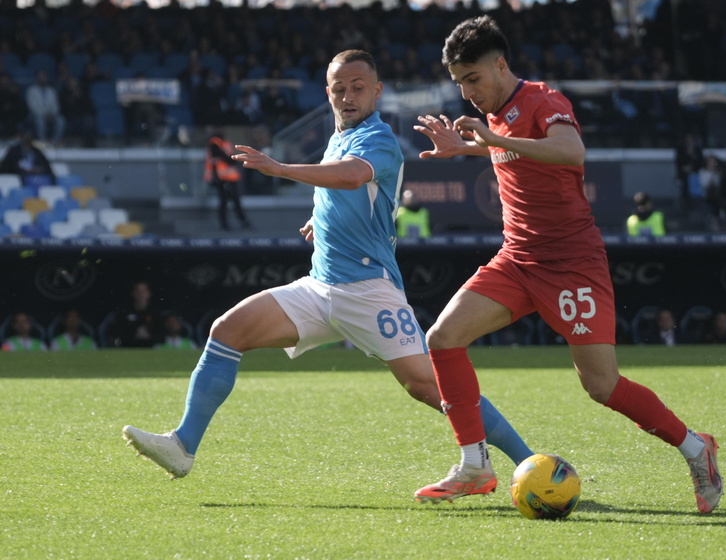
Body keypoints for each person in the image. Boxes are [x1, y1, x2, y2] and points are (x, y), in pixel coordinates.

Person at [122, 50, 533, 482]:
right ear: (327, 93)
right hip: (320, 289)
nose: (348, 96)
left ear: (377, 91)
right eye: (339, 89)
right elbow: (345, 187)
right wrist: (319, 218)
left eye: (358, 88)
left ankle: (525, 461)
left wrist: (279, 169)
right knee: (227, 331)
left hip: (368, 290)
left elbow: (354, 176)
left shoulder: (379, 137)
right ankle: (183, 445)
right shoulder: (337, 137)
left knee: (430, 386)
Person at [411, 17, 722, 514]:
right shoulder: (495, 113)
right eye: (459, 83)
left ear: (500, 65)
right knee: (442, 339)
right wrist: (468, 148)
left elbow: (570, 151)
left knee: (601, 385)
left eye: (473, 79)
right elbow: (515, 157)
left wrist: (492, 142)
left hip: (572, 262)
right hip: (517, 259)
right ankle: (475, 464)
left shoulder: (544, 100)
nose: (468, 93)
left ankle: (695, 447)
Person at [205, 128, 252, 232]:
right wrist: (232, 160)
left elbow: (229, 158)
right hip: (222, 179)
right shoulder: (214, 143)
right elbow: (223, 158)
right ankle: (225, 224)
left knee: (234, 201)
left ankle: (242, 222)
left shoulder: (225, 143)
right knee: (225, 202)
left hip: (230, 177)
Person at [108, 280, 164, 348]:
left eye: (143, 291)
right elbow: (115, 336)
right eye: (138, 291)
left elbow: (163, 337)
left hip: (151, 351)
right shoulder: (123, 313)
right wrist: (133, 334)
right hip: (128, 351)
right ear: (133, 293)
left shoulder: (156, 314)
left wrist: (149, 336)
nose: (140, 294)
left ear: (149, 293)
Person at [25, 69, 65, 146]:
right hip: (35, 116)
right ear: (37, 78)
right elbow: (32, 107)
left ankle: (55, 141)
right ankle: (42, 141)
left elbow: (56, 106)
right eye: (40, 76)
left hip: (51, 115)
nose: (42, 78)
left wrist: (52, 114)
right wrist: (44, 115)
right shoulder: (31, 90)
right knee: (39, 120)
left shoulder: (51, 91)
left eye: (44, 76)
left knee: (61, 120)